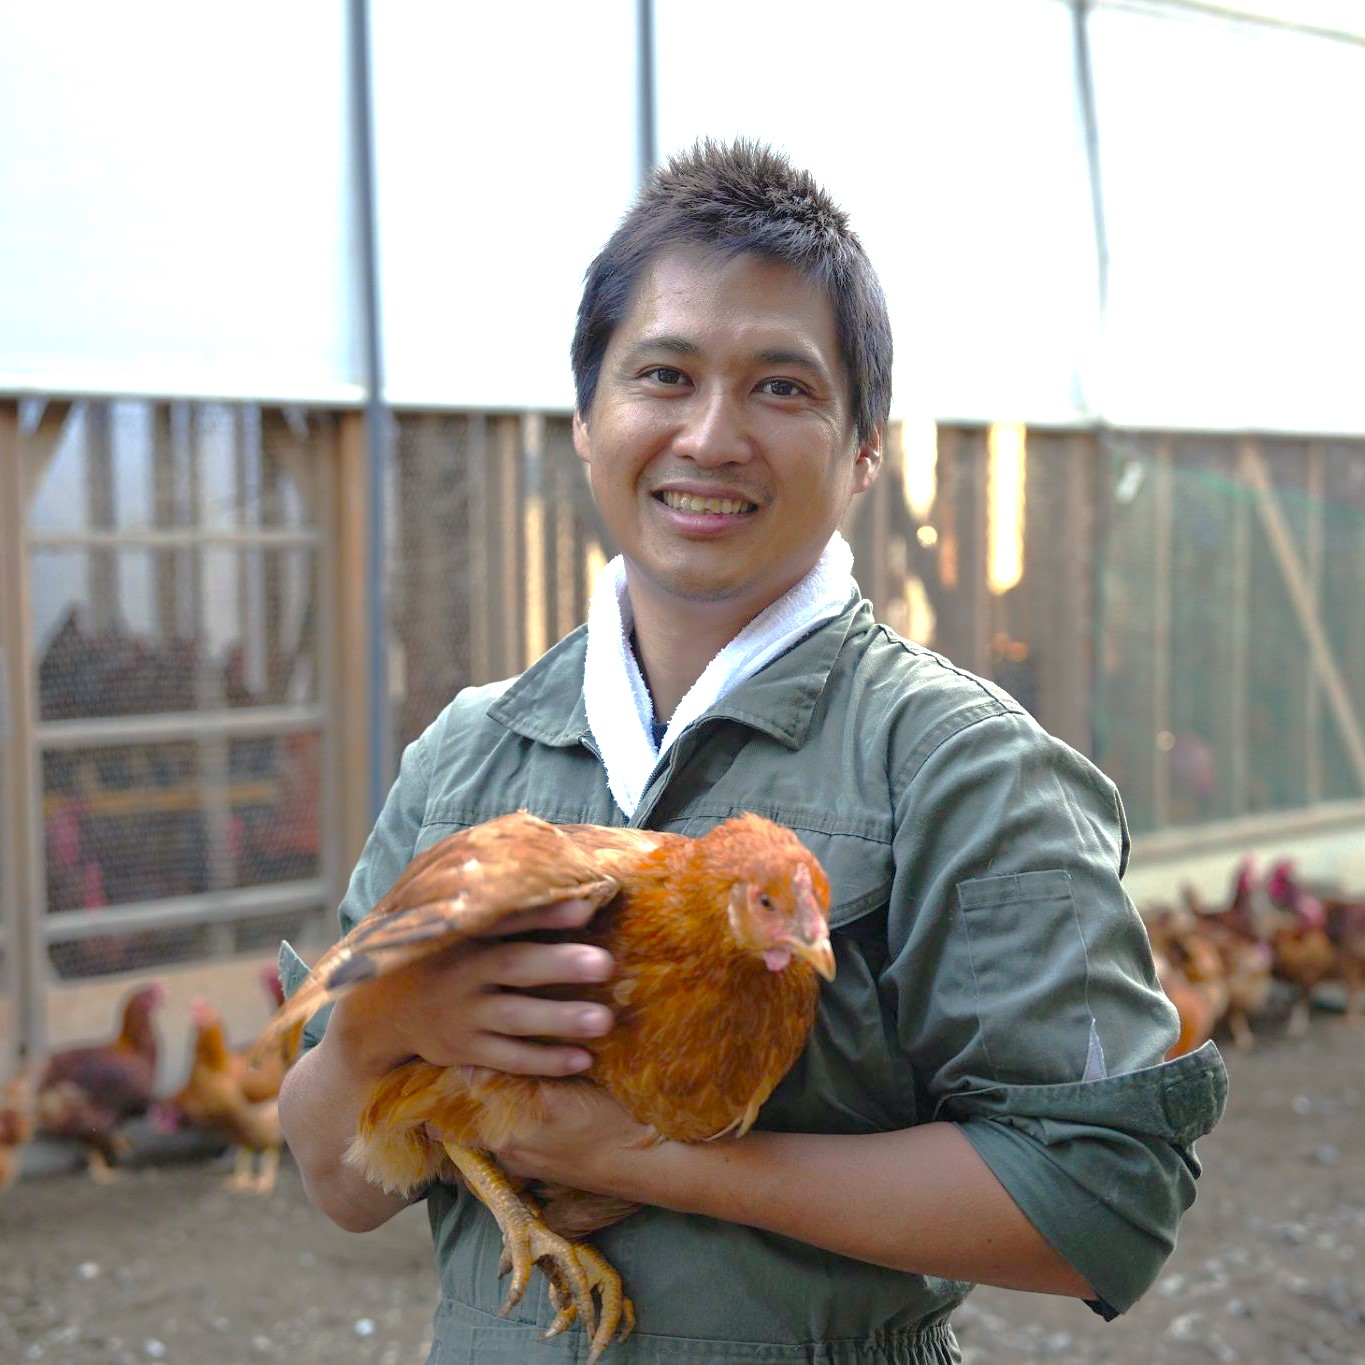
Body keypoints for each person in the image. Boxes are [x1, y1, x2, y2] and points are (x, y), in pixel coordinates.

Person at [278, 140, 1226, 1364]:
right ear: (586, 416)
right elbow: (342, 1184)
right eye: (662, 375)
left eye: (782, 388)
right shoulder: (470, 757)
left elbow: (1102, 1205)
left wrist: (661, 1167)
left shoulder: (960, 769)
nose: (711, 437)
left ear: (866, 449)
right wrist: (372, 1033)